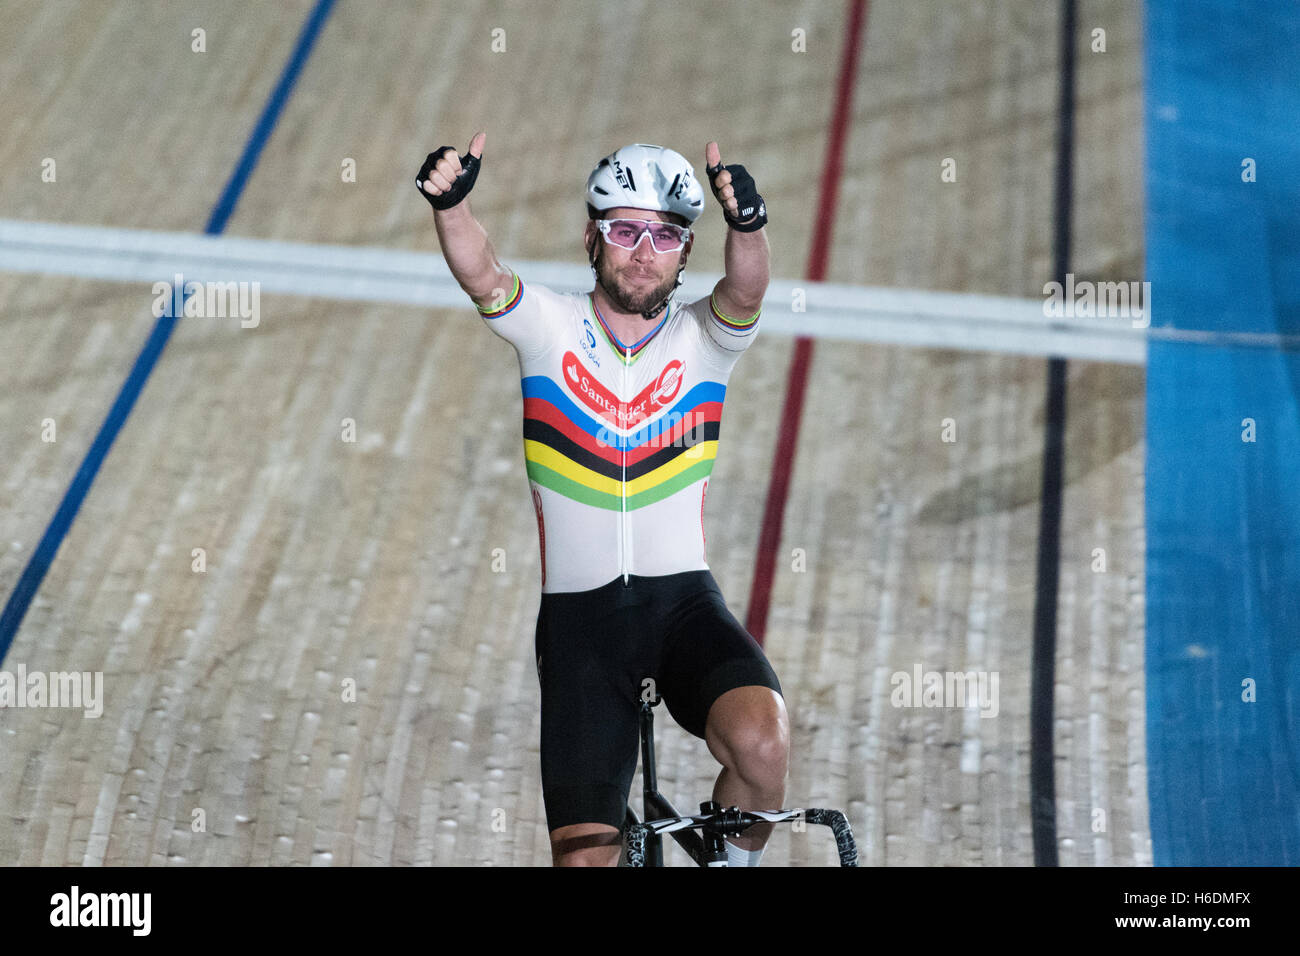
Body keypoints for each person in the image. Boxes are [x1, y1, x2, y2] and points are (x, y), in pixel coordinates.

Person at [416, 134, 786, 866]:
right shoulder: (549, 330)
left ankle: (729, 863)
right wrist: (452, 208)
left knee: (763, 743)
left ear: (685, 252)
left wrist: (748, 226)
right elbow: (484, 275)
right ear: (592, 237)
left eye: (666, 235)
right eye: (625, 230)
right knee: (585, 860)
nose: (645, 251)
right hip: (583, 630)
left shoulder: (705, 343)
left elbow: (746, 291)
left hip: (683, 609)